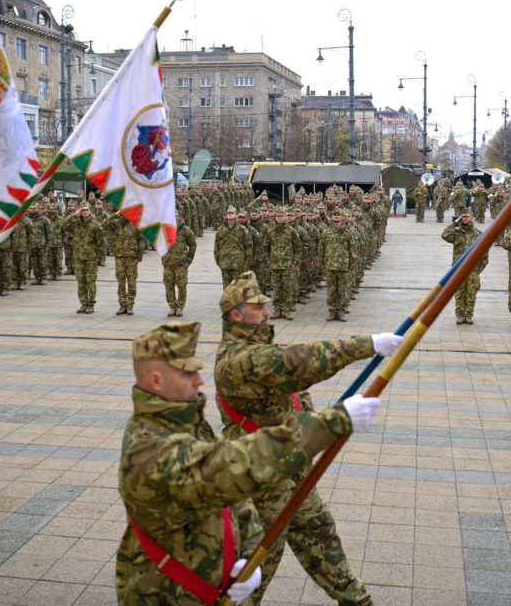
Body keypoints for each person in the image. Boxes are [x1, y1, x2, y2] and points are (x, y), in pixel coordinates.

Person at [117, 320, 380, 604]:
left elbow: (235, 499)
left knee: (317, 530)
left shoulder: (185, 424)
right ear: (156, 381)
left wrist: (247, 551)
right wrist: (331, 423)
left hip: (206, 585)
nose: (200, 380)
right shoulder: (149, 448)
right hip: (167, 594)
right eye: (187, 373)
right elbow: (234, 466)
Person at [214, 272, 402, 604]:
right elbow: (297, 363)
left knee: (319, 531)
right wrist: (366, 345)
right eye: (258, 307)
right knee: (258, 562)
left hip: (289, 465)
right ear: (236, 316)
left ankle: (357, 601)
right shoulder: (238, 360)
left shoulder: (258, 347)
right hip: (259, 474)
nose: (267, 312)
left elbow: (295, 393)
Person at [441, 209, 487, 324]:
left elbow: (484, 250)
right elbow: (444, 235)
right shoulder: (457, 232)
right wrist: (455, 223)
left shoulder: (478, 233)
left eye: (467, 216)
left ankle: (469, 315)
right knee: (459, 292)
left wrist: (483, 264)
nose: (465, 219)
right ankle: (460, 315)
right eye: (463, 217)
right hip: (459, 268)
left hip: (473, 268)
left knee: (471, 292)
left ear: (472, 218)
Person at [161, 211, 197, 316]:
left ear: (179, 217)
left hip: (181, 264)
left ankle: (180, 307)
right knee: (168, 286)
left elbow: (193, 245)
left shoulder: (186, 230)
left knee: (181, 286)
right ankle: (172, 306)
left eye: (175, 216)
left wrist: (188, 260)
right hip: (168, 263)